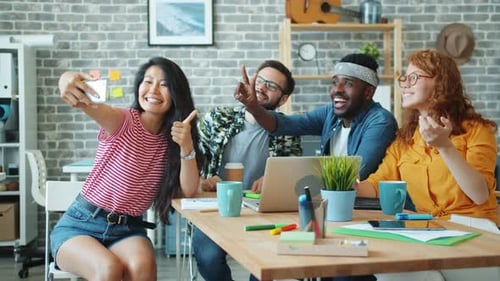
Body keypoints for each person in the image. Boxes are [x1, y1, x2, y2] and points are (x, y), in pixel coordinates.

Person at [51, 57, 201, 281]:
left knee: (142, 268)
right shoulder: (122, 121)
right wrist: (66, 79)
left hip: (128, 230)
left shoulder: (173, 140)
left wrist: (186, 145)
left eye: (164, 84)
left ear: (176, 93)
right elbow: (87, 103)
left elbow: (189, 190)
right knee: (108, 269)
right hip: (80, 224)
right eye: (147, 81)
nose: (153, 90)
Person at [357, 49, 498, 225]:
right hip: (430, 227)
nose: (405, 84)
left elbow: (480, 194)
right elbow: (378, 183)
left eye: (414, 77)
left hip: (476, 227)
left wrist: (444, 146)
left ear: (441, 83)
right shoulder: (405, 139)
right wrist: (347, 185)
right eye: (404, 78)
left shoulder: (477, 130)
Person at [193, 60, 302, 281]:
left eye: (271, 86)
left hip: (261, 212)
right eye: (258, 80)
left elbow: (295, 175)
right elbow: (190, 159)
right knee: (209, 258)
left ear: (283, 99)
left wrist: (274, 181)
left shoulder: (288, 131)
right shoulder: (218, 119)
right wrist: (202, 180)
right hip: (215, 209)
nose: (260, 87)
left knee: (267, 263)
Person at [235, 53, 398, 181]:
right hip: (335, 201)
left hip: (366, 209)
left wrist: (294, 176)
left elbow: (355, 173)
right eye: (334, 82)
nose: (337, 90)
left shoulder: (380, 122)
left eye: (348, 84)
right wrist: (254, 107)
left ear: (368, 92)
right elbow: (283, 125)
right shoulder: (330, 114)